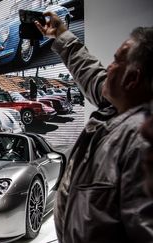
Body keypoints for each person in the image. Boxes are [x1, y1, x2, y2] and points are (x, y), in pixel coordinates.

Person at [35, 13, 153, 242]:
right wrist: (60, 34)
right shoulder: (115, 106)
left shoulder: (141, 142)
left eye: (117, 60)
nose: (108, 67)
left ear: (132, 79)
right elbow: (88, 69)